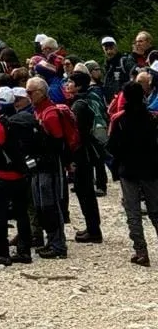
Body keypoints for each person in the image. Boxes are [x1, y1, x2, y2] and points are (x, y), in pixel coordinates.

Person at [0, 86, 39, 267]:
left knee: (0, 214)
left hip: (3, 175)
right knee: (22, 213)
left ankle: (1, 252)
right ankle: (24, 250)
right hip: (22, 172)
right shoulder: (25, 119)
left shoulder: (1, 122)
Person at [108, 81, 158, 266]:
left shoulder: (119, 119)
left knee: (133, 212)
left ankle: (141, 251)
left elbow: (112, 146)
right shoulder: (152, 118)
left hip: (128, 170)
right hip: (151, 169)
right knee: (155, 210)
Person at [26, 76, 72, 258]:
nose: (28, 95)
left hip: (50, 167)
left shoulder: (50, 114)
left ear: (41, 92)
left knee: (51, 205)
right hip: (41, 165)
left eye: (31, 92)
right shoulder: (39, 111)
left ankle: (58, 245)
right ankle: (51, 241)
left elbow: (58, 142)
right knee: (42, 205)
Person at [64, 70, 103, 243]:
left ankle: (94, 230)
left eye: (70, 82)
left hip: (81, 152)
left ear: (78, 85)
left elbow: (75, 132)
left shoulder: (78, 105)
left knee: (84, 190)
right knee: (84, 189)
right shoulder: (85, 100)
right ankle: (92, 227)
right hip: (86, 150)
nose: (67, 85)